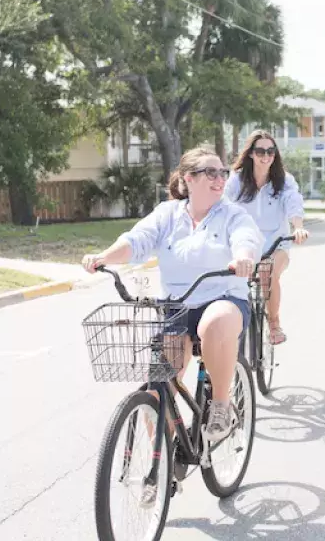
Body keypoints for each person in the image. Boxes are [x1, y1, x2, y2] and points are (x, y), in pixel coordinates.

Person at [82, 146, 262, 446]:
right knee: (157, 387)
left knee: (213, 324)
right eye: (210, 172)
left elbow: (246, 239)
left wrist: (243, 257)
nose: (219, 179)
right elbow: (137, 240)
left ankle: (220, 406)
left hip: (224, 298)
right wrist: (104, 257)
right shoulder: (167, 214)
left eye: (222, 173)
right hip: (176, 306)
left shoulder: (232, 215)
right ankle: (162, 466)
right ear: (188, 179)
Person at [224, 130, 310, 345]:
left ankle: (273, 322)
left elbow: (293, 202)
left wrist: (298, 227)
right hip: (245, 244)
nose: (266, 156)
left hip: (276, 244)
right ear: (251, 154)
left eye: (271, 151)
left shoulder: (284, 180)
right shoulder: (237, 180)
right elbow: (223, 206)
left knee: (268, 272)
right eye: (260, 151)